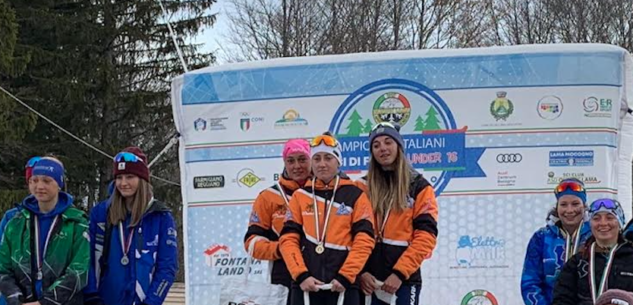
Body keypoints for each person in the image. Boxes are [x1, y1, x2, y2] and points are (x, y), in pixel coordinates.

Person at [280, 132, 375, 305]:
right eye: (316, 159)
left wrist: (347, 275)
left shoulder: (355, 194)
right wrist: (301, 275)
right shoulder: (300, 196)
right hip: (305, 285)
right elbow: (288, 239)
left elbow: (365, 239)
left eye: (328, 158)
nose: (322, 164)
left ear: (338, 161)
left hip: (344, 285)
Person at [355, 123, 439, 305]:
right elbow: (348, 234)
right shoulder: (360, 187)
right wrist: (360, 271)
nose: (382, 149)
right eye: (376, 145)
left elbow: (426, 236)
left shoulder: (419, 186)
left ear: (399, 146)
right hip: (366, 280)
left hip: (404, 279)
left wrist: (400, 273)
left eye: (388, 142)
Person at [84, 147, 178, 305]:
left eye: (130, 177)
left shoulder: (160, 216)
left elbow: (167, 267)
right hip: (106, 299)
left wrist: (152, 302)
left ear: (142, 180)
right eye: (119, 177)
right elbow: (87, 258)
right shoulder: (101, 213)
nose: (123, 183)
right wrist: (92, 295)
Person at [0, 156, 90, 305]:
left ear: (59, 184)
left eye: (47, 181)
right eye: (34, 180)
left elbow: (79, 271)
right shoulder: (16, 222)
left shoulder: (76, 223)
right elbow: (3, 267)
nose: (39, 186)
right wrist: (15, 298)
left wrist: (45, 302)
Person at [244, 139, 311, 301]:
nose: (297, 166)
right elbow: (251, 242)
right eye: (291, 161)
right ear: (284, 162)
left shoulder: (322, 192)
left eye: (302, 159)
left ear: (311, 160)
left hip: (320, 270)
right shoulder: (268, 197)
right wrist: (281, 249)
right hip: (283, 276)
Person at [521, 178, 592, 305]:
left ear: (584, 206)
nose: (569, 210)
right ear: (557, 206)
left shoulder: (594, 235)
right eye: (563, 204)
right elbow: (530, 282)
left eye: (575, 204)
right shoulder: (541, 237)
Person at [553, 198, 633, 305]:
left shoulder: (631, 258)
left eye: (610, 217)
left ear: (620, 223)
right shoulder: (577, 262)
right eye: (596, 218)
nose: (603, 223)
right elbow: (562, 299)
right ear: (590, 224)